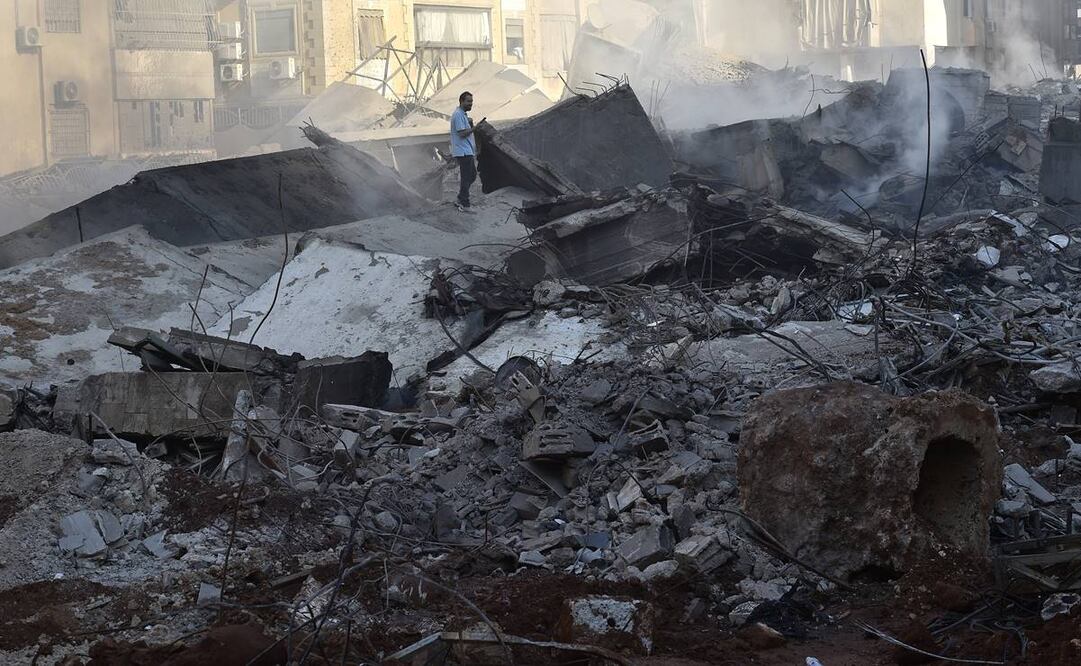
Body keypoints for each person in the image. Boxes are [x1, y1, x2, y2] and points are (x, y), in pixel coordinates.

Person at [450, 91, 483, 210]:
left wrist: (470, 124)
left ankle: (461, 197)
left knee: (472, 175)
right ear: (461, 101)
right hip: (462, 151)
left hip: (467, 150)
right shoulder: (458, 114)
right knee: (467, 176)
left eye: (472, 101)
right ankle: (464, 202)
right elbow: (462, 133)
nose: (471, 104)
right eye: (468, 101)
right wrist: (475, 128)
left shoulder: (462, 114)